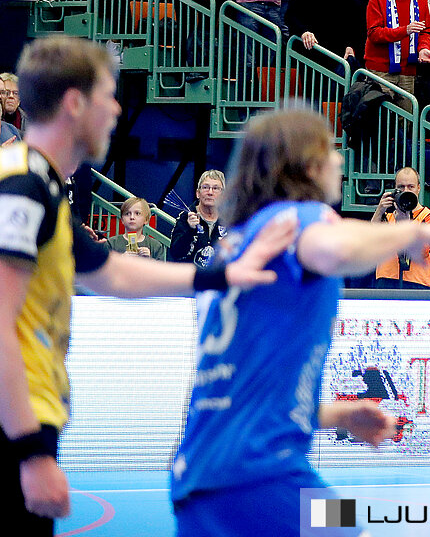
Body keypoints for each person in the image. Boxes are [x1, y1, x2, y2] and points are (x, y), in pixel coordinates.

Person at [0, 36, 298, 534]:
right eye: (108, 96)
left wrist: (222, 275)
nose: (117, 109)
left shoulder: (44, 184)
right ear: (74, 104)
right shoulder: (23, 186)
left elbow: (110, 271)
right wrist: (31, 451)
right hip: (16, 424)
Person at [170, 108, 430, 536]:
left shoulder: (238, 242)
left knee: (346, 523)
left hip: (203, 475)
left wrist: (337, 414)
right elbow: (334, 248)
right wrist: (412, 234)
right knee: (347, 526)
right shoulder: (302, 218)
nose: (341, 161)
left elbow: (247, 392)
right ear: (309, 164)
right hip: (259, 476)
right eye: (332, 150)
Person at [373, 166, 430, 288]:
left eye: (410, 187)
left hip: (416, 283)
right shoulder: (388, 217)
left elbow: (422, 252)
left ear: (418, 188)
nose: (406, 190)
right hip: (386, 280)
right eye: (401, 187)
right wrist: (379, 210)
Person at [168, 169, 228, 266]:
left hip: (217, 277)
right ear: (197, 193)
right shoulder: (185, 217)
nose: (210, 192)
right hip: (189, 276)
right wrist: (189, 230)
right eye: (205, 187)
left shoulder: (229, 219)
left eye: (216, 188)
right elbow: (176, 253)